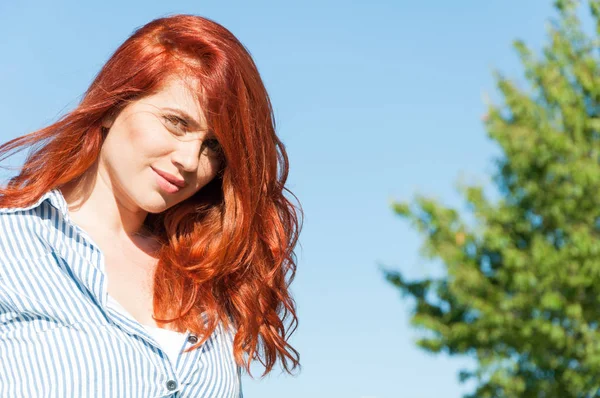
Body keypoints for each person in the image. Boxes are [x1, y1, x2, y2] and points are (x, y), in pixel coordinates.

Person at [0, 14, 301, 397]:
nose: (191, 160)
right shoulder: (9, 243)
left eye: (214, 148)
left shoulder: (203, 278)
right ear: (111, 105)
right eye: (176, 123)